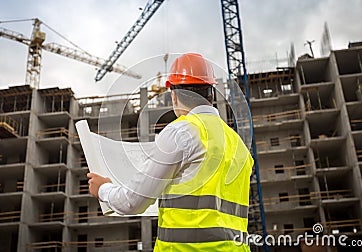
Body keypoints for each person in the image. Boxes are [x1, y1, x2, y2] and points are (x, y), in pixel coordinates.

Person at [88, 53, 253, 251]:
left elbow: (131, 202)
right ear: (211, 93)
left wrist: (103, 189)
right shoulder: (239, 145)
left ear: (173, 94)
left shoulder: (182, 132)